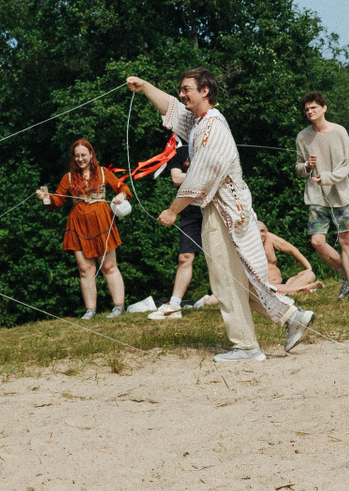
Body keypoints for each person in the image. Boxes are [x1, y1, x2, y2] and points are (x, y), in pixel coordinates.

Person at [127, 70, 316, 360]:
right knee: (243, 279)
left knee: (226, 281)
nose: (181, 94)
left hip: (225, 212)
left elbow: (199, 178)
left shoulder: (212, 126)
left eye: (187, 89)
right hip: (226, 210)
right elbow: (173, 111)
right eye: (181, 89)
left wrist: (173, 211)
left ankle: (246, 346)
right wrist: (144, 87)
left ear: (205, 91)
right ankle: (293, 317)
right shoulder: (199, 121)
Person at [37, 138, 131, 319]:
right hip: (78, 225)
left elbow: (122, 187)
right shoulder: (69, 177)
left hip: (102, 222)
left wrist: (121, 195)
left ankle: (119, 307)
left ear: (91, 154)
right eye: (77, 156)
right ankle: (90, 310)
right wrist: (45, 198)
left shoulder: (103, 172)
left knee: (109, 266)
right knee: (85, 269)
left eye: (83, 155)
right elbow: (57, 201)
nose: (80, 159)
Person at [295, 91, 349, 301]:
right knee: (316, 241)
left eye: (313, 107)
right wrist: (307, 166)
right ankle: (347, 275)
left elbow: (347, 166)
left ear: (324, 108)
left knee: (345, 240)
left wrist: (326, 177)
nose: (309, 112)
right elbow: (299, 167)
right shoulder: (302, 137)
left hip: (341, 195)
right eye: (306, 109)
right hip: (316, 196)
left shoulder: (340, 132)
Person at [150, 143, 201, 320]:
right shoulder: (180, 151)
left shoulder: (212, 145)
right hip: (189, 211)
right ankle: (174, 304)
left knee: (221, 256)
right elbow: (176, 178)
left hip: (214, 209)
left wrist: (192, 176)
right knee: (184, 257)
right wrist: (202, 175)